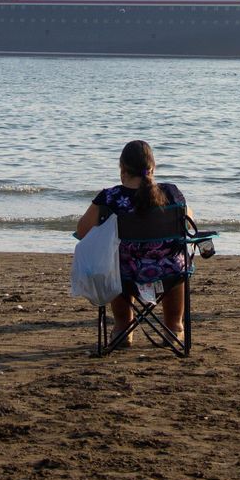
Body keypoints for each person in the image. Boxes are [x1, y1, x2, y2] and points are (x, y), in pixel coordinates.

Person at [75, 140, 193, 341]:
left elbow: (82, 231)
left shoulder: (109, 198)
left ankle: (123, 328)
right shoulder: (171, 193)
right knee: (177, 259)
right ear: (152, 168)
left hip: (123, 273)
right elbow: (188, 225)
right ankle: (174, 327)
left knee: (113, 262)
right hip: (168, 271)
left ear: (122, 169)